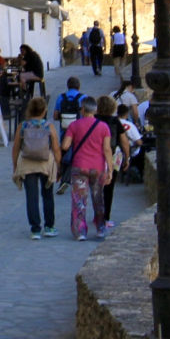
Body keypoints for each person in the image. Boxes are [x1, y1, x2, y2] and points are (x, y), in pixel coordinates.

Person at [62, 95, 113, 240]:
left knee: (79, 199)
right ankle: (101, 228)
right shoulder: (103, 127)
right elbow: (107, 149)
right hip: (97, 167)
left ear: (83, 109)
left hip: (79, 166)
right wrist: (110, 169)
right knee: (98, 198)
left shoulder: (74, 125)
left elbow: (65, 145)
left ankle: (80, 232)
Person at [11, 96, 60, 239]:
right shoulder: (49, 126)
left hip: (27, 164)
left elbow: (16, 148)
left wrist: (15, 166)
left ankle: (35, 229)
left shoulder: (23, 126)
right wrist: (58, 165)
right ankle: (49, 226)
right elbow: (56, 148)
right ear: (44, 110)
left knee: (31, 197)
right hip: (45, 164)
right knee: (48, 195)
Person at [96, 95, 132, 227]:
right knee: (109, 187)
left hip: (97, 155)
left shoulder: (94, 120)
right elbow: (124, 142)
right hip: (113, 155)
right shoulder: (115, 121)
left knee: (97, 187)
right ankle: (106, 217)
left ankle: (97, 214)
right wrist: (127, 158)